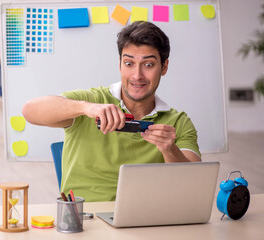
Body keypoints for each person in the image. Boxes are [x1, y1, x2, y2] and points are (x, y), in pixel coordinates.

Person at [22, 21, 201, 202]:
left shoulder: (179, 122)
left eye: (148, 65)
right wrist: (85, 108)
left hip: (146, 219)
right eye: (129, 63)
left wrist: (170, 150)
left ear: (164, 67)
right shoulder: (91, 102)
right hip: (85, 218)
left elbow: (194, 183)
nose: (137, 75)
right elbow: (30, 111)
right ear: (120, 65)